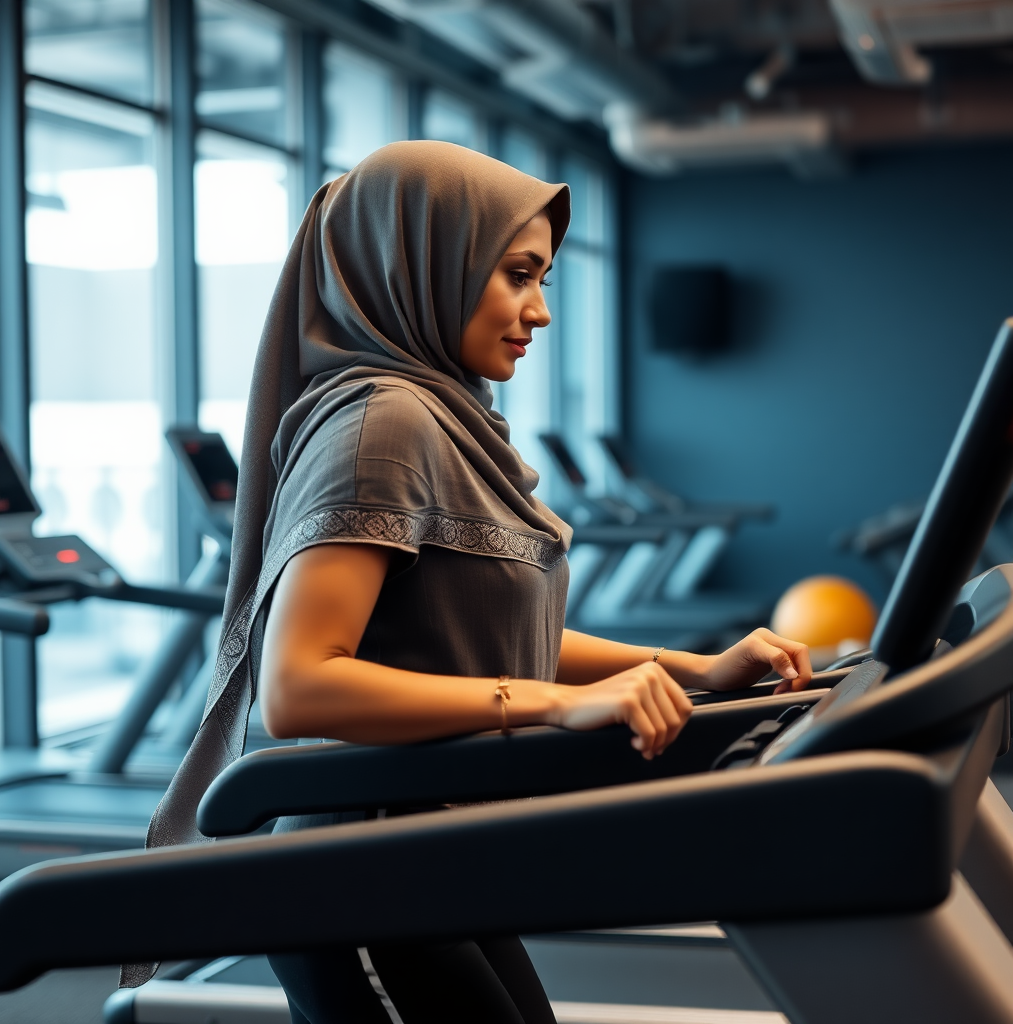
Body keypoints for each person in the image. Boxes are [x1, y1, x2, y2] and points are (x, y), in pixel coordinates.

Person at [129, 141, 811, 1022]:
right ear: (428, 262)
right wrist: (554, 706)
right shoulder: (383, 425)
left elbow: (477, 635)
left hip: (429, 846)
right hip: (360, 875)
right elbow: (296, 689)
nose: (540, 311)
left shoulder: (443, 415)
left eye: (546, 282)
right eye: (518, 275)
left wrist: (693, 669)